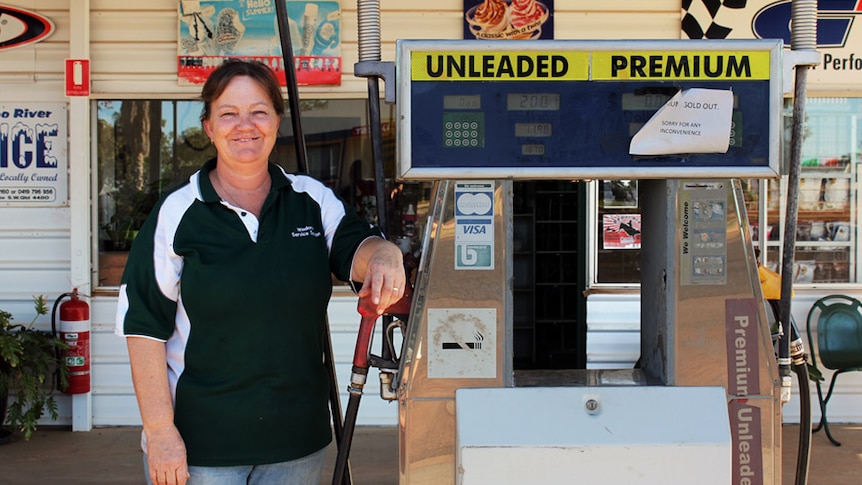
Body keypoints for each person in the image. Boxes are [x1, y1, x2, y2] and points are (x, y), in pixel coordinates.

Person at [115, 59, 405, 485]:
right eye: (228, 113)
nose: (244, 125)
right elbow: (142, 327)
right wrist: (159, 432)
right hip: (201, 448)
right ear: (209, 127)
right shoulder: (178, 213)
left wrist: (384, 253)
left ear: (276, 122)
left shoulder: (311, 200)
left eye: (259, 111)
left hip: (296, 445)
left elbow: (355, 247)